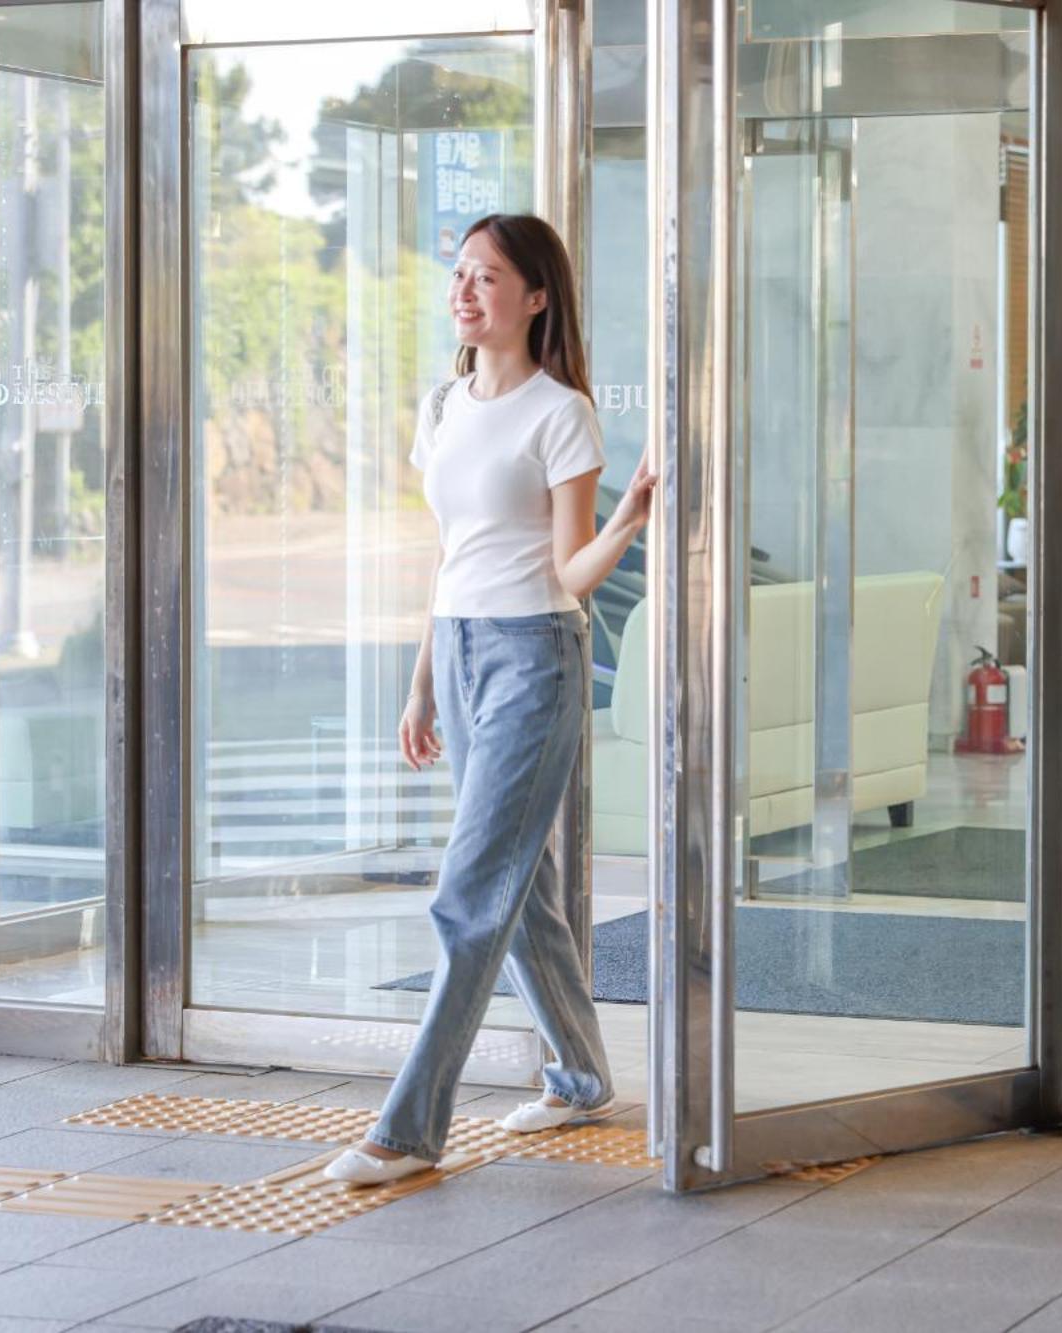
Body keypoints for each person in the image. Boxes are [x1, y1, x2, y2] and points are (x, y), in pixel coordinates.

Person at [325, 213, 655, 1186]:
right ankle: (581, 1074)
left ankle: (408, 1129)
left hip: (533, 656)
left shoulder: (561, 414)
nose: (463, 290)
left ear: (536, 296)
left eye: (487, 276)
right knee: (525, 893)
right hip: (463, 654)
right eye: (458, 273)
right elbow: (451, 557)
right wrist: (423, 680)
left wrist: (631, 516)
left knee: (471, 897)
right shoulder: (444, 407)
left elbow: (570, 570)